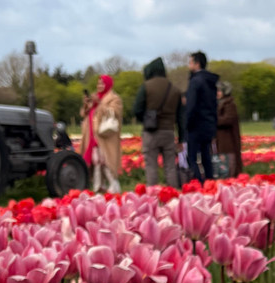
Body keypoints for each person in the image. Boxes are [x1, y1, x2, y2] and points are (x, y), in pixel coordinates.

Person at [133, 57, 185, 188]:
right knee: (170, 166)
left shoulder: (146, 87)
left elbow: (137, 109)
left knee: (151, 165)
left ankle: (153, 197)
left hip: (151, 132)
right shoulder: (175, 89)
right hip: (168, 131)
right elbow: (181, 118)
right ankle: (172, 195)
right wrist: (181, 138)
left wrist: (145, 120)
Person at [80, 74, 123, 193]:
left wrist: (100, 103)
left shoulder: (114, 98)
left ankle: (114, 185)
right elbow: (84, 114)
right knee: (96, 161)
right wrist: (87, 103)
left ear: (108, 84)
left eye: (102, 83)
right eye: (98, 83)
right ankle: (98, 186)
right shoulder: (95, 97)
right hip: (92, 135)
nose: (99, 86)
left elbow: (114, 113)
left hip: (105, 136)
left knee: (106, 160)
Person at [185, 51, 219, 181]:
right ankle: (210, 182)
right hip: (209, 124)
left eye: (190, 62)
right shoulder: (211, 81)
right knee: (206, 156)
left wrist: (187, 124)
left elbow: (191, 105)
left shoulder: (195, 81)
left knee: (192, 157)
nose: (189, 65)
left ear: (197, 64)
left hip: (196, 125)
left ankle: (198, 182)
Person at [215, 81, 243, 176]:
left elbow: (227, 120)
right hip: (220, 138)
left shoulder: (229, 104)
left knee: (229, 161)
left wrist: (212, 120)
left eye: (219, 91)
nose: (217, 93)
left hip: (228, 139)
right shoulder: (219, 104)